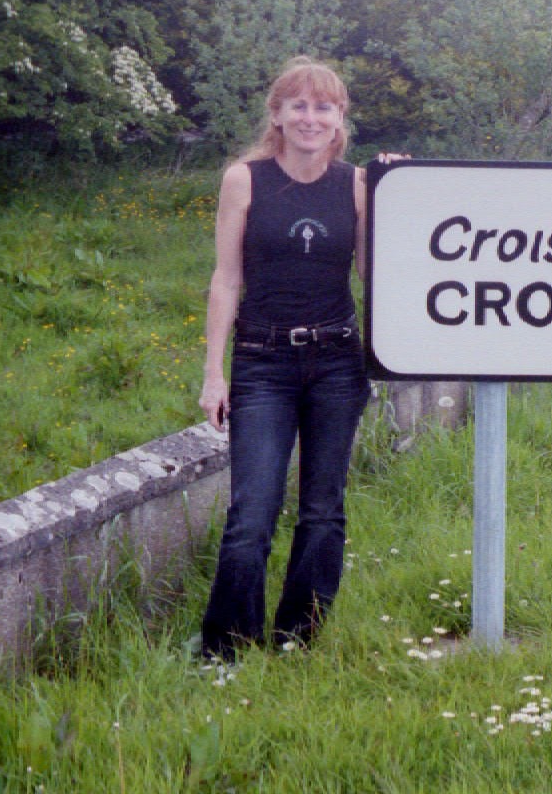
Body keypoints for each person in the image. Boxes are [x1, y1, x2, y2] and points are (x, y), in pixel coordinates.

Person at [197, 56, 397, 663]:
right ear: (278, 115)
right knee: (252, 515)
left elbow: (372, 273)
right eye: (299, 106)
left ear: (340, 120)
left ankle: (296, 638)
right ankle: (224, 651)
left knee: (323, 511)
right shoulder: (245, 179)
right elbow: (225, 281)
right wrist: (214, 373)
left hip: (337, 362)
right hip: (263, 363)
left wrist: (402, 192)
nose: (311, 118)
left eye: (325, 107)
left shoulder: (358, 184)